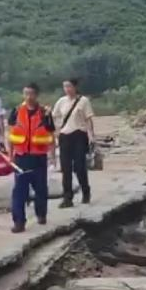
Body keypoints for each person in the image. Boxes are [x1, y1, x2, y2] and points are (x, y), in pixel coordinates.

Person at [6, 83, 56, 233]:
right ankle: (19, 222)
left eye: (31, 94)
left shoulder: (44, 113)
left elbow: (51, 135)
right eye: (26, 93)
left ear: (36, 95)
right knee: (19, 191)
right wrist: (10, 155)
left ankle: (41, 213)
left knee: (40, 188)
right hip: (21, 156)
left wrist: (52, 156)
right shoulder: (16, 111)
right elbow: (11, 134)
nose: (28, 97)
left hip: (38, 157)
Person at [51, 78, 95, 207]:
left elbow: (88, 119)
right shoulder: (61, 101)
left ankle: (85, 190)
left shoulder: (83, 101)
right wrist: (56, 131)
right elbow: (54, 116)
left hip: (79, 135)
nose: (67, 89)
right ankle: (67, 197)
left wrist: (91, 135)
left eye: (69, 86)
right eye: (65, 87)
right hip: (65, 136)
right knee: (66, 168)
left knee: (79, 167)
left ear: (75, 87)